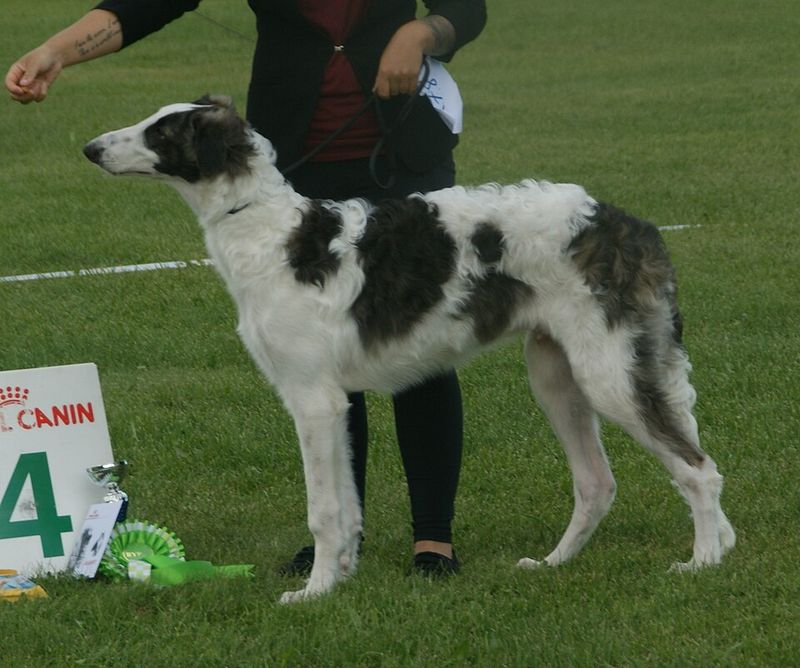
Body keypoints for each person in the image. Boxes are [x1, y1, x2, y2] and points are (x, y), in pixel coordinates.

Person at [6, 0, 487, 577]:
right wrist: (56, 50)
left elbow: (467, 7)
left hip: (404, 153)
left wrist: (422, 32)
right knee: (320, 366)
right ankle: (336, 541)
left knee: (422, 355)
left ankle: (433, 538)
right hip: (297, 157)